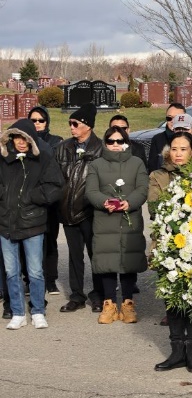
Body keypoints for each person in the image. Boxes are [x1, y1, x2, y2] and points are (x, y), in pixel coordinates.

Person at [150, 133, 192, 372]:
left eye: (184, 148)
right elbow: (155, 207)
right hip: (168, 245)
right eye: (174, 148)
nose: (179, 153)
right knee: (172, 300)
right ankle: (176, 352)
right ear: (168, 151)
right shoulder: (158, 175)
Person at [0, 119, 64, 330]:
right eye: (16, 137)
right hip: (6, 222)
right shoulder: (3, 159)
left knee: (35, 271)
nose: (20, 142)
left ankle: (38, 310)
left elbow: (55, 185)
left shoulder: (43, 158)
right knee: (11, 271)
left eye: (24, 138)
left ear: (31, 140)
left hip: (33, 222)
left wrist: (31, 197)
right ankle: (18, 312)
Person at [85, 126, 149, 325]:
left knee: (128, 261)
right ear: (105, 143)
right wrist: (104, 202)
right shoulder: (96, 165)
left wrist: (129, 202)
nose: (115, 145)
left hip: (130, 217)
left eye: (119, 141)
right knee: (108, 262)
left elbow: (142, 188)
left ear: (126, 143)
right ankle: (109, 304)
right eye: (111, 141)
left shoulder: (137, 163)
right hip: (106, 218)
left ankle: (128, 304)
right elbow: (91, 190)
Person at [56, 103, 105, 314]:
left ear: (88, 126)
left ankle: (98, 295)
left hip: (91, 212)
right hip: (68, 211)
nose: (71, 127)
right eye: (70, 123)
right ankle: (76, 296)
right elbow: (56, 177)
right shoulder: (63, 147)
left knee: (96, 255)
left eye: (75, 123)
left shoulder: (101, 149)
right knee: (74, 256)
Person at [28, 105, 62, 296]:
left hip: (49, 202)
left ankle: (50, 280)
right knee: (29, 243)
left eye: (41, 120)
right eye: (33, 121)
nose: (38, 124)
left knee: (49, 241)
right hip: (29, 201)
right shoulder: (22, 141)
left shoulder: (55, 142)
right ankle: (30, 280)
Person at [147, 103, 186, 172]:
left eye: (177, 118)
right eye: (169, 118)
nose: (172, 121)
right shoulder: (158, 139)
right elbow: (152, 168)